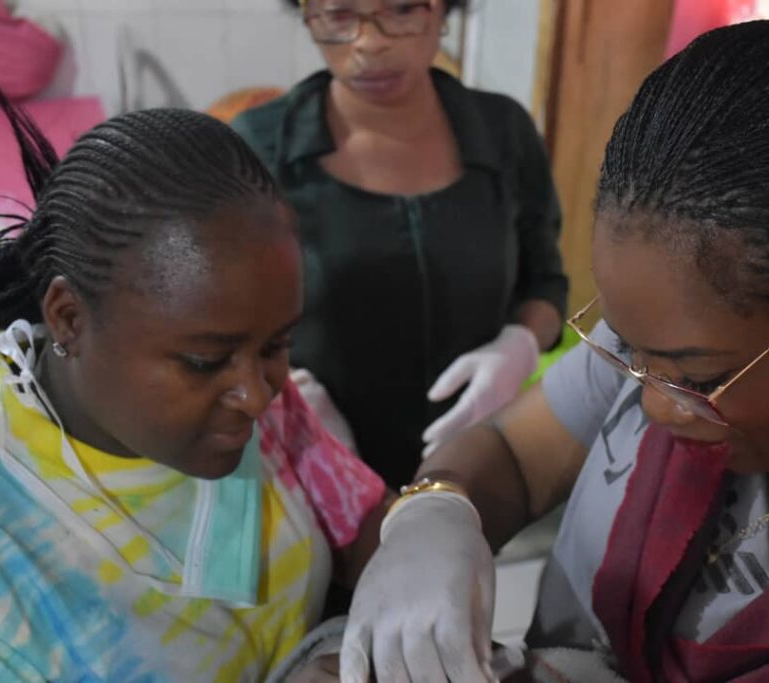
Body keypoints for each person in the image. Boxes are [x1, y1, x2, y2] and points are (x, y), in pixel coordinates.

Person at [337, 20, 769, 683]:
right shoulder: (678, 327)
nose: (653, 403)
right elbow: (517, 454)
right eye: (628, 348)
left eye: (699, 378)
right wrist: (436, 511)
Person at [0, 91, 391, 681]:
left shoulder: (257, 398)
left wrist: (414, 550)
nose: (257, 396)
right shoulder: (18, 517)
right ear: (70, 319)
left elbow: (360, 527)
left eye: (276, 346)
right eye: (205, 361)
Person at [233, 0, 568, 487]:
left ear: (443, 13)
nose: (370, 42)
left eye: (403, 9)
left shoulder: (504, 132)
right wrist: (287, 392)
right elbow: (227, 317)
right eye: (340, 15)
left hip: (472, 464)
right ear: (308, 16)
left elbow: (546, 281)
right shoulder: (260, 148)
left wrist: (520, 344)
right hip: (313, 470)